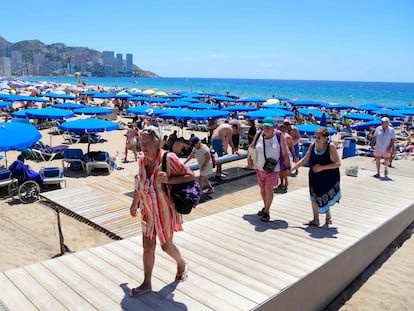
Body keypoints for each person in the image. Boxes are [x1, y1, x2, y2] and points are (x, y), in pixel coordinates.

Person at [129, 126, 194, 297]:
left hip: (165, 211)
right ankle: (147, 282)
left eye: (148, 142)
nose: (144, 146)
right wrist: (134, 203)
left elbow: (190, 176)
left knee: (166, 246)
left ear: (158, 142)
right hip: (148, 211)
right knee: (147, 245)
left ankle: (181, 263)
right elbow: (141, 183)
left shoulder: (169, 158)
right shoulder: (142, 160)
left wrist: (170, 179)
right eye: (142, 142)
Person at [291, 127, 341, 226]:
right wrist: (292, 169)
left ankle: (328, 215)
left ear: (326, 138)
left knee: (324, 196)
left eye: (319, 137)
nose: (316, 139)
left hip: (328, 176)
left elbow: (338, 163)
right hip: (314, 176)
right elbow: (304, 160)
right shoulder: (312, 146)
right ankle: (316, 219)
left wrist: (322, 168)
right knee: (313, 197)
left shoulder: (330, 147)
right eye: (315, 137)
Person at [251, 117, 290, 222]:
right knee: (262, 189)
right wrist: (249, 160)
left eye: (269, 127)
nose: (267, 129)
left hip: (273, 168)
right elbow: (251, 147)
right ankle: (265, 206)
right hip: (260, 167)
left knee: (269, 189)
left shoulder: (279, 136)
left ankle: (267, 211)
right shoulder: (259, 135)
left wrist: (288, 166)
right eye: (265, 127)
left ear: (274, 127)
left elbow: (285, 152)